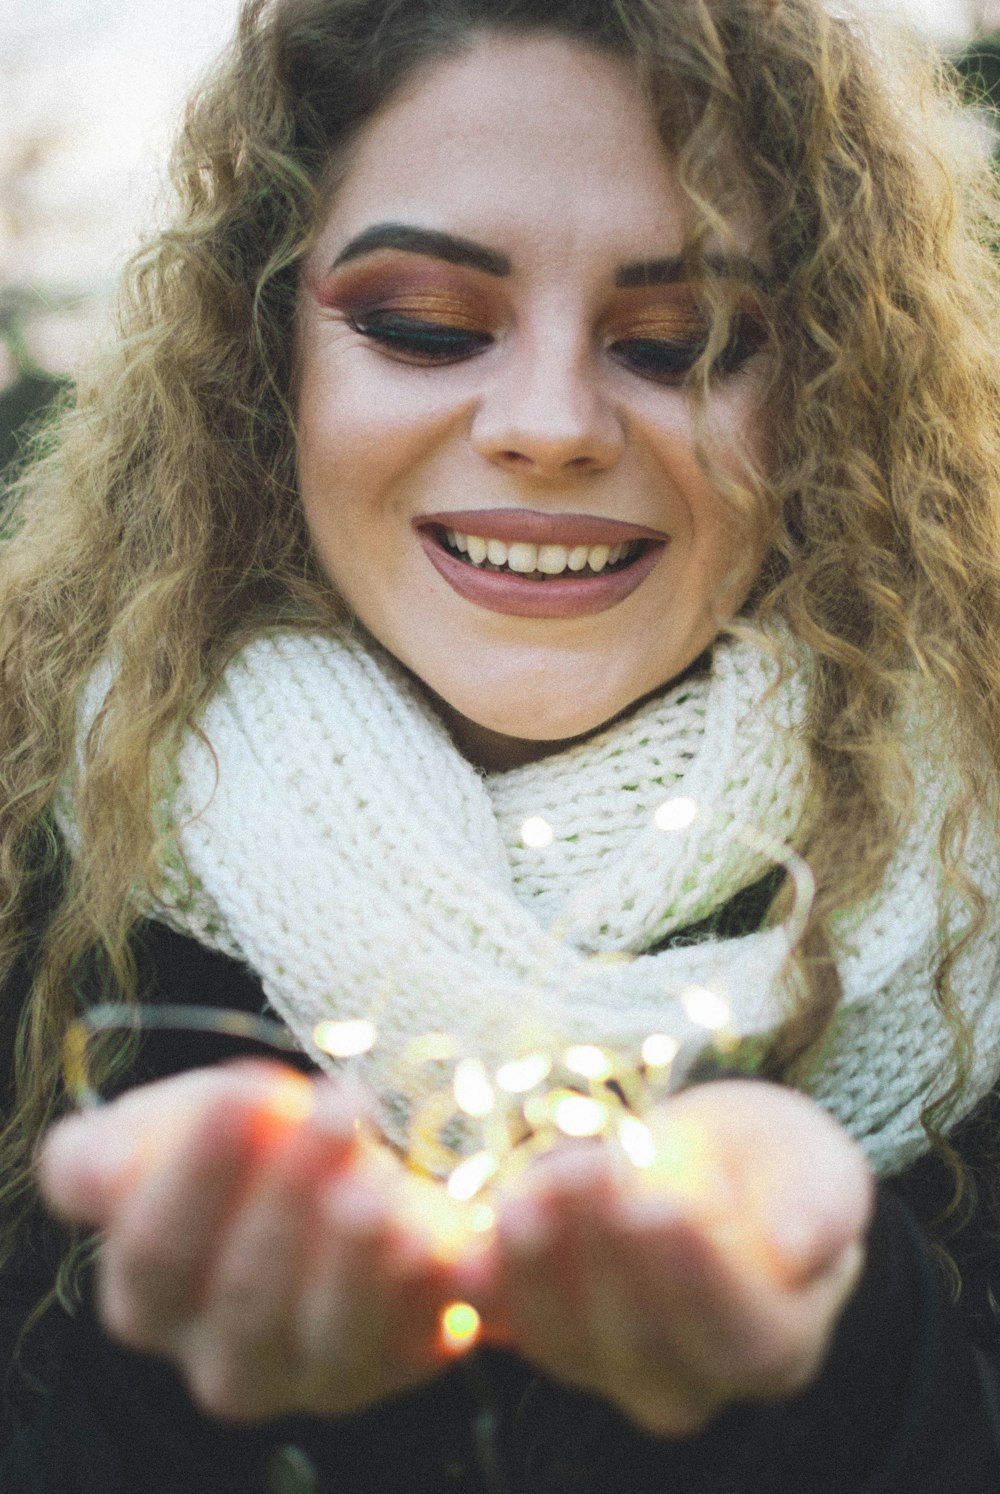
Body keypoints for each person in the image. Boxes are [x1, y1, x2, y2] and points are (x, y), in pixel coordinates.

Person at [2, 0, 1000, 1489]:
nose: (549, 423)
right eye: (424, 325)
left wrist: (838, 1363)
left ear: (830, 395)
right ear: (267, 363)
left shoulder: (969, 890)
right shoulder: (34, 848)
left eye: (685, 339)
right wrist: (195, 1410)